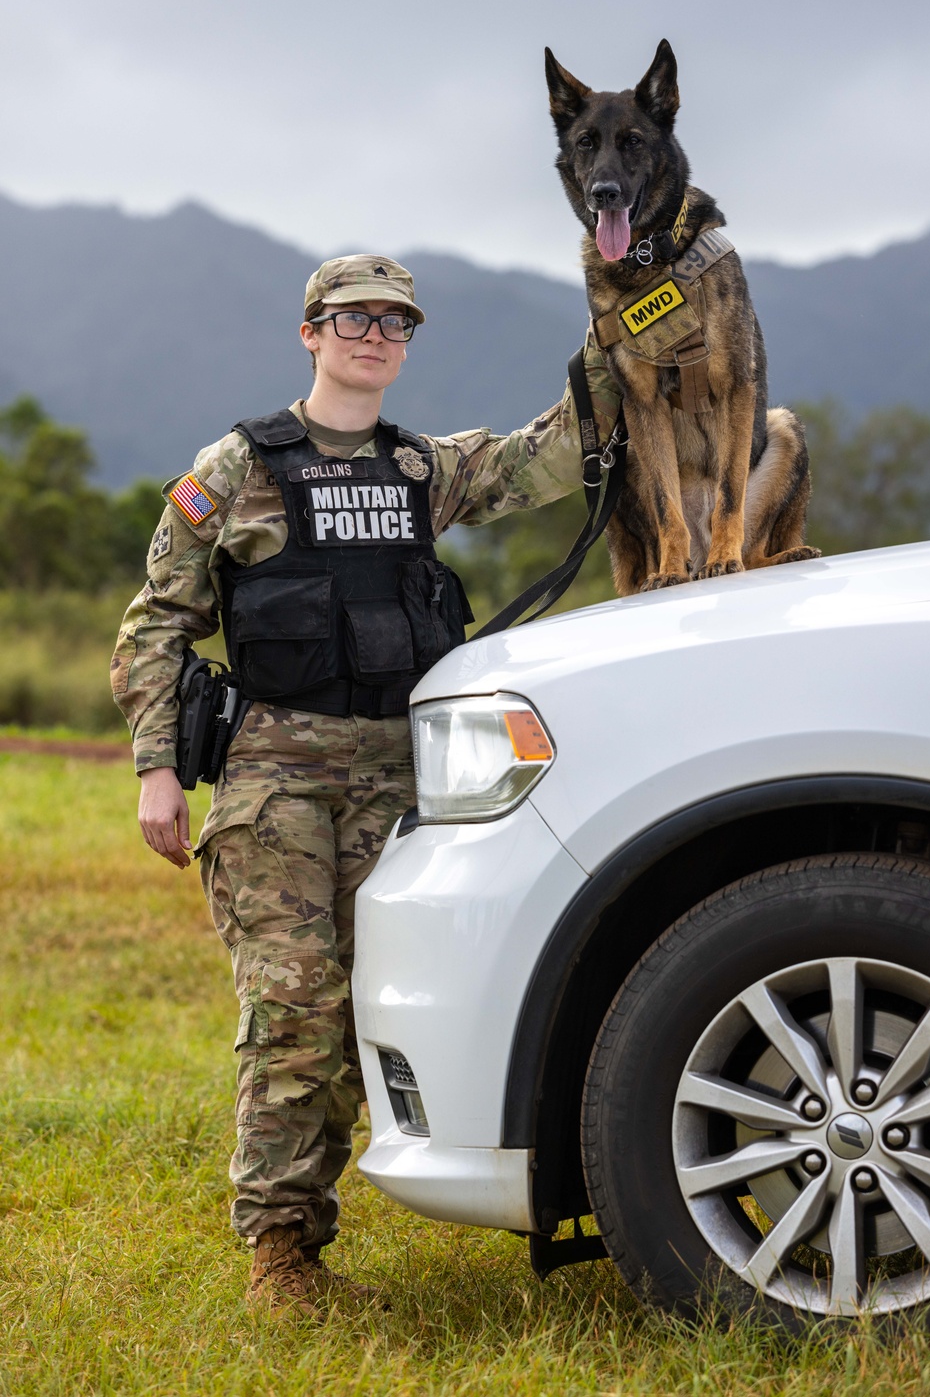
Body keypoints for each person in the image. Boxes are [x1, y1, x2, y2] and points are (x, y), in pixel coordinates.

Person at [111, 254, 620, 1317]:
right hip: (273, 779)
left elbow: (548, 459)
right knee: (295, 1003)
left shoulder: (420, 470)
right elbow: (158, 618)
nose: (375, 335)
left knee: (366, 1017)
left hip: (397, 781)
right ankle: (281, 1255)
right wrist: (159, 767)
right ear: (312, 331)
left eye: (395, 322)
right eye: (353, 318)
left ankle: (311, 1233)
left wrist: (617, 350)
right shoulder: (240, 464)